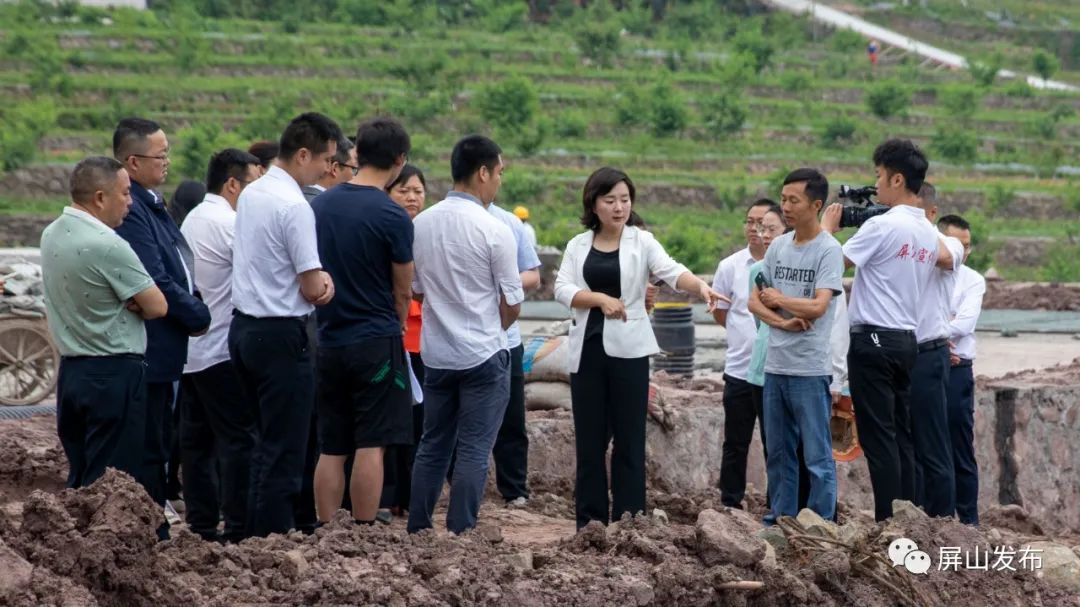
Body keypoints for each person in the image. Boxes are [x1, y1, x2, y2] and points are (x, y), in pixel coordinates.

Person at [555, 167, 727, 529]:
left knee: (630, 440)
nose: (619, 207)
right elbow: (562, 289)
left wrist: (700, 288)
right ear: (594, 204)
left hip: (629, 352)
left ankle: (629, 521)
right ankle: (589, 524)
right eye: (610, 200)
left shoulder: (641, 241)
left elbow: (671, 271)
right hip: (587, 351)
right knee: (589, 443)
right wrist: (600, 298)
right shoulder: (578, 244)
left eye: (625, 199)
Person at [821, 139, 955, 522]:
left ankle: (887, 525)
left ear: (897, 179)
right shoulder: (928, 232)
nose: (876, 184)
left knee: (879, 440)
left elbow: (833, 264)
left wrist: (829, 229)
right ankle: (909, 520)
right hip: (906, 343)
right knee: (902, 437)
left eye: (879, 176)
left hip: (873, 341)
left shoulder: (882, 225)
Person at [230, 112, 340, 537]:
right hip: (281, 334)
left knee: (261, 443)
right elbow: (312, 286)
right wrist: (326, 284)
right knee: (285, 451)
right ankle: (270, 544)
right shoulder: (295, 205)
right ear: (302, 154)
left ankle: (248, 535)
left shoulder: (254, 193)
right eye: (325, 160)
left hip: (244, 331)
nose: (327, 170)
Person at [407, 135, 523, 535]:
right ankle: (461, 533)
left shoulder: (420, 224)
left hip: (437, 355)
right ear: (483, 172)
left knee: (433, 444)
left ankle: (418, 528)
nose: (499, 182)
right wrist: (492, 327)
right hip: (483, 354)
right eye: (499, 173)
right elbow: (513, 302)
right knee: (474, 448)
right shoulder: (493, 229)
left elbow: (416, 290)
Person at [311, 117, 414, 526]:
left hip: (328, 337)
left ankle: (325, 527)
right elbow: (403, 288)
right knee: (372, 442)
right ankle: (364, 530)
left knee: (332, 444)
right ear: (400, 160)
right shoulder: (393, 216)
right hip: (375, 340)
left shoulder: (320, 205)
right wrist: (399, 324)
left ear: (356, 154)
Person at [41, 157, 167, 489]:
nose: (130, 202)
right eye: (125, 194)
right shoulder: (108, 245)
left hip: (72, 374)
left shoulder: (51, 234)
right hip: (113, 374)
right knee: (113, 482)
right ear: (100, 197)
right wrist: (134, 302)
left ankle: (75, 539)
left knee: (82, 474)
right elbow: (157, 305)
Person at [113, 118, 212, 537]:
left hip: (166, 348)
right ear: (133, 162)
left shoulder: (150, 202)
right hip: (151, 349)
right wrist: (196, 313)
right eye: (161, 154)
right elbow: (155, 279)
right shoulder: (132, 210)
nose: (167, 161)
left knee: (160, 440)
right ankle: (149, 531)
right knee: (149, 447)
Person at [748, 168, 844, 524]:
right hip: (776, 366)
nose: (785, 206)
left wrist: (781, 299)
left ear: (815, 205)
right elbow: (754, 302)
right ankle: (782, 518)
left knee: (817, 454)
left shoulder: (828, 251)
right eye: (784, 198)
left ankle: (821, 523)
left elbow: (819, 307)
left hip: (809, 368)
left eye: (794, 200)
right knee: (779, 451)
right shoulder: (778, 247)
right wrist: (785, 320)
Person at [177, 148, 261, 543]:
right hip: (220, 350)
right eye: (253, 186)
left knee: (197, 442)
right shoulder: (229, 223)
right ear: (233, 184)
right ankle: (239, 525)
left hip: (192, 352)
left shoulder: (196, 216)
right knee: (239, 439)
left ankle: (202, 522)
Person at [712, 198, 780, 510]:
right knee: (735, 442)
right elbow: (722, 312)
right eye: (749, 221)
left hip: (775, 371)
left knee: (775, 443)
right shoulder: (729, 266)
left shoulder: (784, 265)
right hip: (739, 369)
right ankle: (730, 503)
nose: (754, 229)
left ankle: (776, 504)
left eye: (762, 224)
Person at [907, 182, 964, 518]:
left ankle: (942, 520)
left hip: (929, 354)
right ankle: (912, 517)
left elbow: (943, 257)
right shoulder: (898, 240)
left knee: (933, 443)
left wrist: (913, 227)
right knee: (905, 445)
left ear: (930, 212)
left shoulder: (949, 243)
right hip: (897, 351)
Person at [485, 199, 542, 507]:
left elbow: (533, 274)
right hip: (459, 339)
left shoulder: (509, 222)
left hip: (507, 338)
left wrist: (505, 279)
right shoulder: (442, 220)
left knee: (511, 417)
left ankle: (514, 488)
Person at [380, 164, 428, 518]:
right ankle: (389, 495)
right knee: (393, 424)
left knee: (420, 425)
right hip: (395, 338)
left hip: (424, 343)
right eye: (404, 190)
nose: (412, 197)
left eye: (418, 191)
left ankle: (412, 497)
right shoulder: (383, 229)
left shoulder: (426, 232)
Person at [939, 214, 985, 525]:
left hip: (957, 369)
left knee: (959, 445)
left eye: (967, 246)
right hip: (924, 362)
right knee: (925, 444)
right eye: (957, 244)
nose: (963, 252)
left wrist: (934, 336)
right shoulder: (922, 274)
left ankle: (969, 521)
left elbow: (965, 323)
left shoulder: (973, 280)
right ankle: (933, 517)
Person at [302, 135, 357, 203]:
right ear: (334, 169)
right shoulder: (332, 207)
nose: (355, 177)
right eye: (354, 169)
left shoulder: (295, 195)